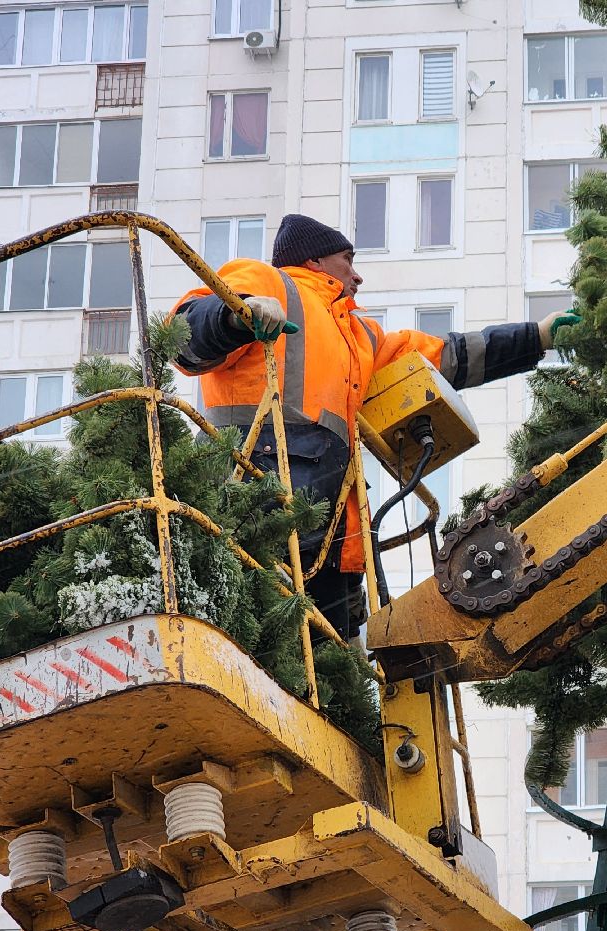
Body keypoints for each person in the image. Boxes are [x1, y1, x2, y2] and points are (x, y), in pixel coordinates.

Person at [172, 213, 577, 637]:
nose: (357, 275)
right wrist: (234, 316)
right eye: (348, 259)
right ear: (315, 261)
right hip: (253, 500)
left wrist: (537, 336)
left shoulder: (360, 335)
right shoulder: (271, 284)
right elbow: (184, 334)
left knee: (330, 667)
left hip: (332, 528)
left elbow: (443, 358)